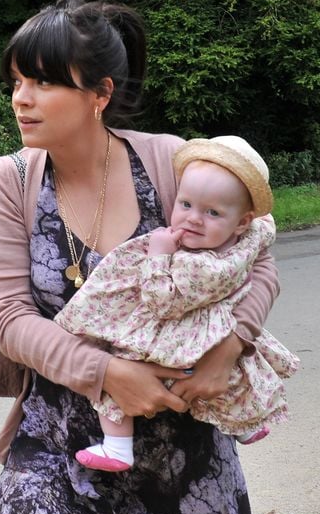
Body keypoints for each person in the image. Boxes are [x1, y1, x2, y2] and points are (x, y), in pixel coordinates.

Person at [0, 0, 280, 514]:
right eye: (17, 82)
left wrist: (230, 347)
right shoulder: (9, 181)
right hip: (59, 443)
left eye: (43, 83)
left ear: (100, 94)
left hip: (184, 448)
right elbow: (6, 315)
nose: (22, 99)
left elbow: (256, 262)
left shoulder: (170, 160)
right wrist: (108, 375)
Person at [55, 135, 300, 472]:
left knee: (124, 361)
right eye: (185, 205)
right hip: (202, 335)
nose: (194, 219)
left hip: (180, 339)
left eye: (212, 212)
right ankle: (247, 424)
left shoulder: (201, 265)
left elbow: (162, 303)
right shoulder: (243, 241)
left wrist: (158, 256)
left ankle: (117, 446)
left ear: (243, 221)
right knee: (236, 378)